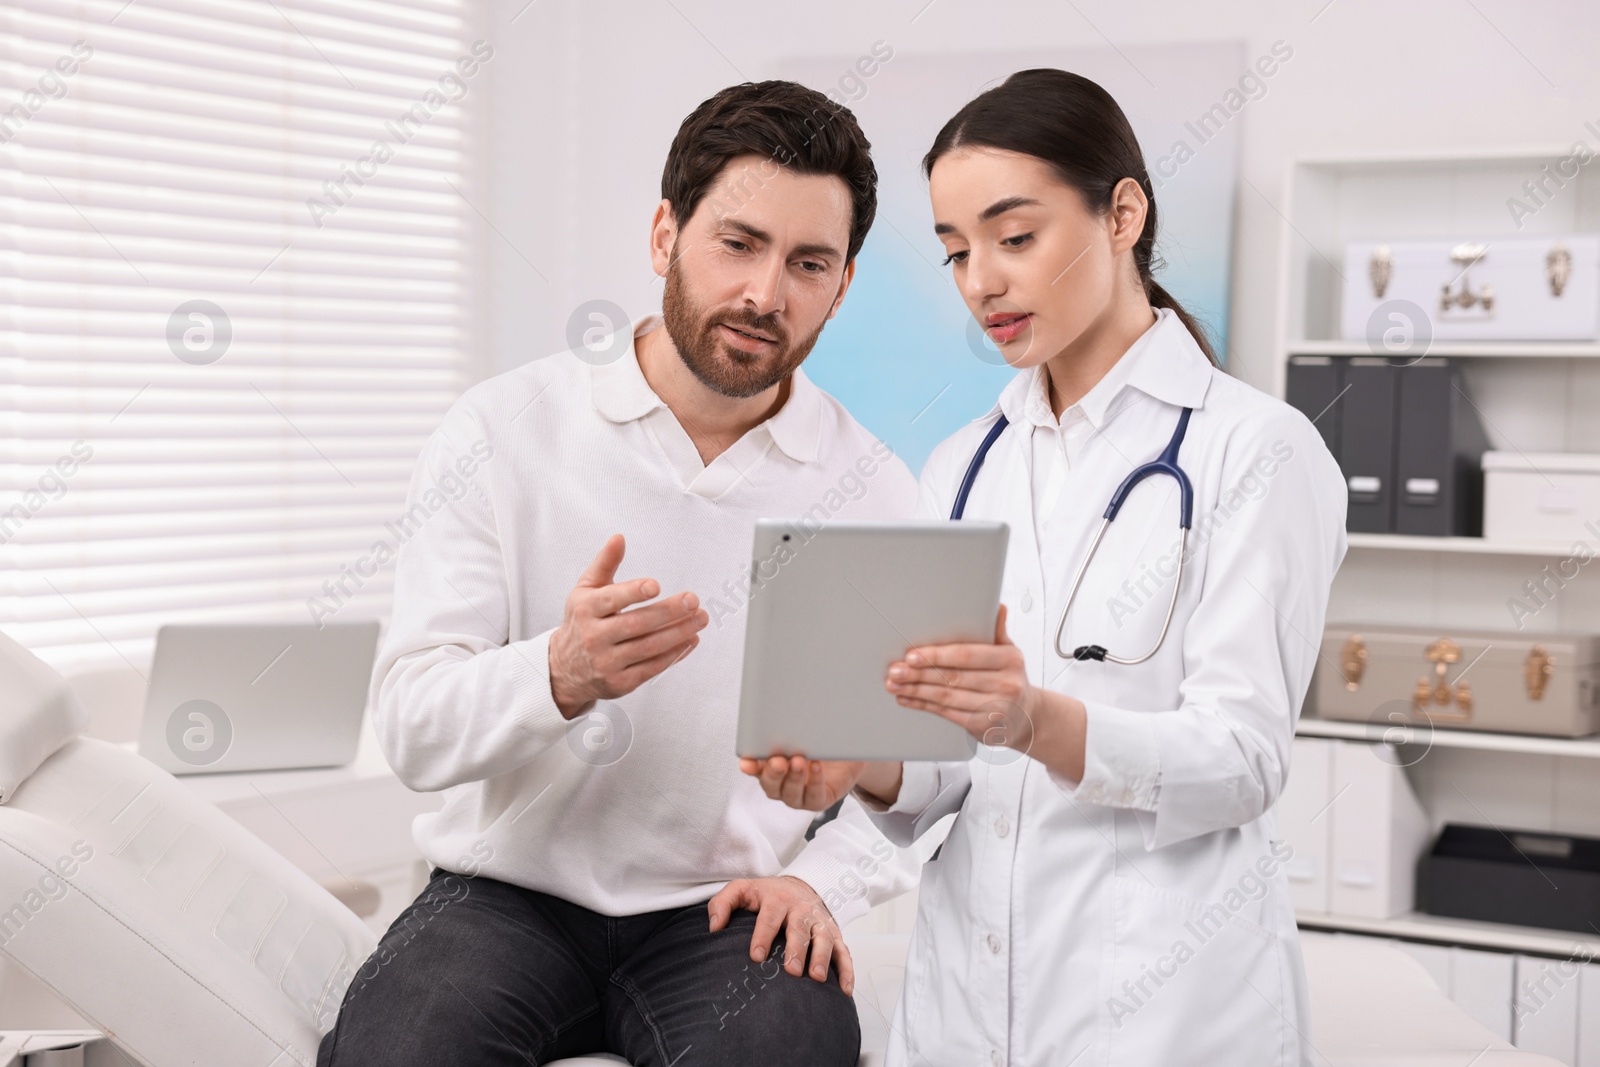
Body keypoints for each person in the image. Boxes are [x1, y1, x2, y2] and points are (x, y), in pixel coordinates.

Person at [743, 68, 1347, 1066]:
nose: (982, 280)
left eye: (1014, 237)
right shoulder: (962, 464)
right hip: (965, 1018)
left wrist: (1037, 721)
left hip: (1164, 1013)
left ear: (1121, 213)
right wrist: (872, 767)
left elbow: (1242, 760)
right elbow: (947, 767)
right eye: (954, 253)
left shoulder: (1255, 452)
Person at [319, 80, 920, 1067]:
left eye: (807, 262)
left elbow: (919, 768)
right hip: (502, 896)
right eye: (737, 242)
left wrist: (829, 880)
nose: (765, 295)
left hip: (726, 909)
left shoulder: (871, 486)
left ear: (842, 285)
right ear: (663, 235)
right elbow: (414, 729)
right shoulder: (500, 431)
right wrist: (556, 672)